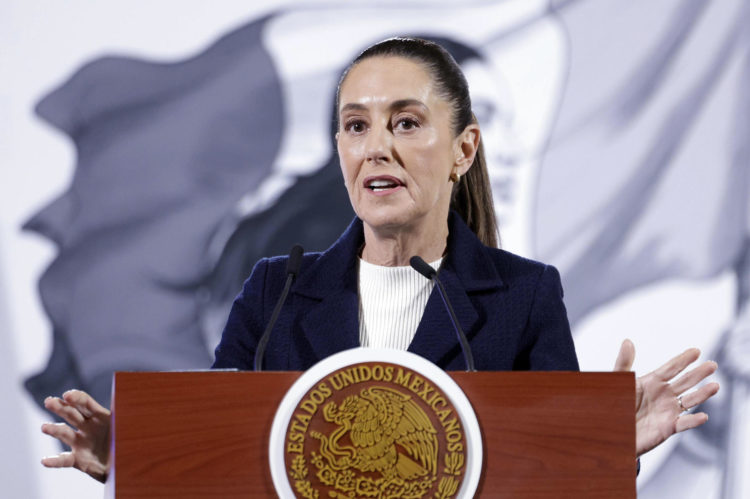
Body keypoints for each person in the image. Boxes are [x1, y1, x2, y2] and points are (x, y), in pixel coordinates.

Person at [41, 37, 720, 484]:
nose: (377, 148)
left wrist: (604, 449)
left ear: (462, 150)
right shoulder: (275, 290)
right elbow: (228, 456)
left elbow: (543, 479)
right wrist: (131, 456)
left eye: (406, 122)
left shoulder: (525, 296)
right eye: (357, 126)